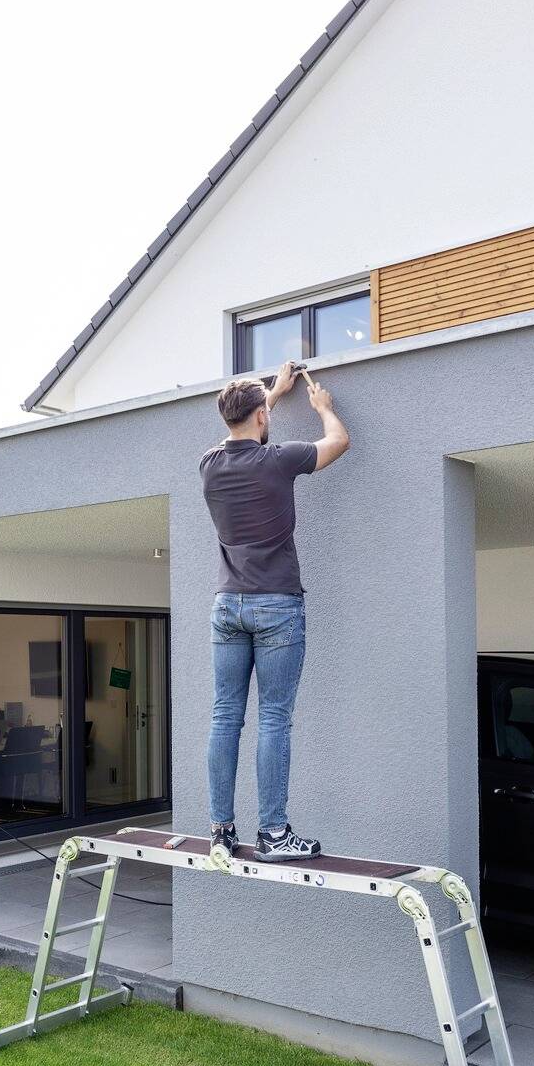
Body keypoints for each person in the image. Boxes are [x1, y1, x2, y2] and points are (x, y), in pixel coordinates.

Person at [200, 360, 350, 862]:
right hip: (277, 606)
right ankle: (274, 835)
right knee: (274, 719)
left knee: (225, 718)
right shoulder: (280, 460)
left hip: (227, 606)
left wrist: (272, 394)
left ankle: (221, 832)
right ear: (262, 418)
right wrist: (324, 409)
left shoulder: (209, 465)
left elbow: (243, 430)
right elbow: (338, 443)